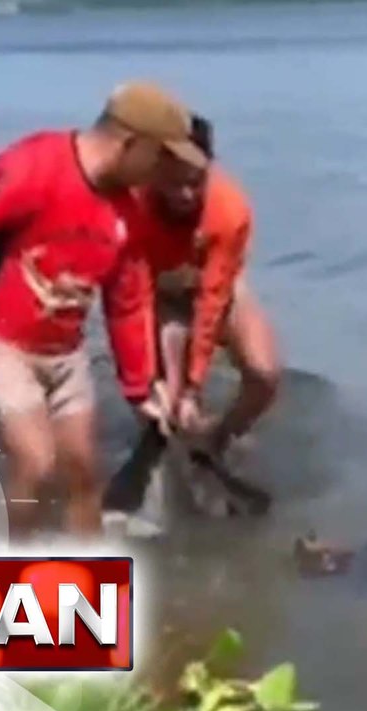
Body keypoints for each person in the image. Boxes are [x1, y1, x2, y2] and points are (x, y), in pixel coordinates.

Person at [0, 82, 208, 540]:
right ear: (131, 143)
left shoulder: (127, 212)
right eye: (161, 159)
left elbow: (128, 301)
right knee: (36, 461)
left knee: (83, 475)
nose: (162, 175)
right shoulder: (35, 165)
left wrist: (141, 389)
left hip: (64, 353)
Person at [104, 114, 282, 520]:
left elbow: (213, 299)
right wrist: (157, 380)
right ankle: (160, 448)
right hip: (157, 295)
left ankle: (217, 441)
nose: (185, 193)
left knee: (265, 373)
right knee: (160, 399)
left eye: (195, 180)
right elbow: (125, 298)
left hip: (215, 288)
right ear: (154, 170)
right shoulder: (129, 206)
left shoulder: (229, 208)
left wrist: (194, 383)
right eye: (173, 181)